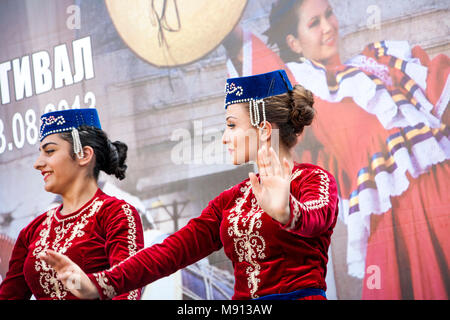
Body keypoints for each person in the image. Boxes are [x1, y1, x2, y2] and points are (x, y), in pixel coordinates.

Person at [39, 70, 339, 300]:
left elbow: (317, 217)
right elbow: (169, 252)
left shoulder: (314, 180)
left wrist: (288, 212)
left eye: (232, 125)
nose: (224, 136)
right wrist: (99, 284)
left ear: (262, 129)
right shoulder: (230, 200)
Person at [223, 0, 450, 299]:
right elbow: (255, 62)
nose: (328, 26)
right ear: (294, 42)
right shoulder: (305, 89)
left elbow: (439, 95)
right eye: (314, 23)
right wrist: (220, 21)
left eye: (329, 14)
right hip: (398, 220)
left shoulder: (380, 60)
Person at [0, 108, 145, 300]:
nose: (38, 163)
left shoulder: (117, 214)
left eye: (50, 151)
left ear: (84, 155)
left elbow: (128, 290)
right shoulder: (32, 231)